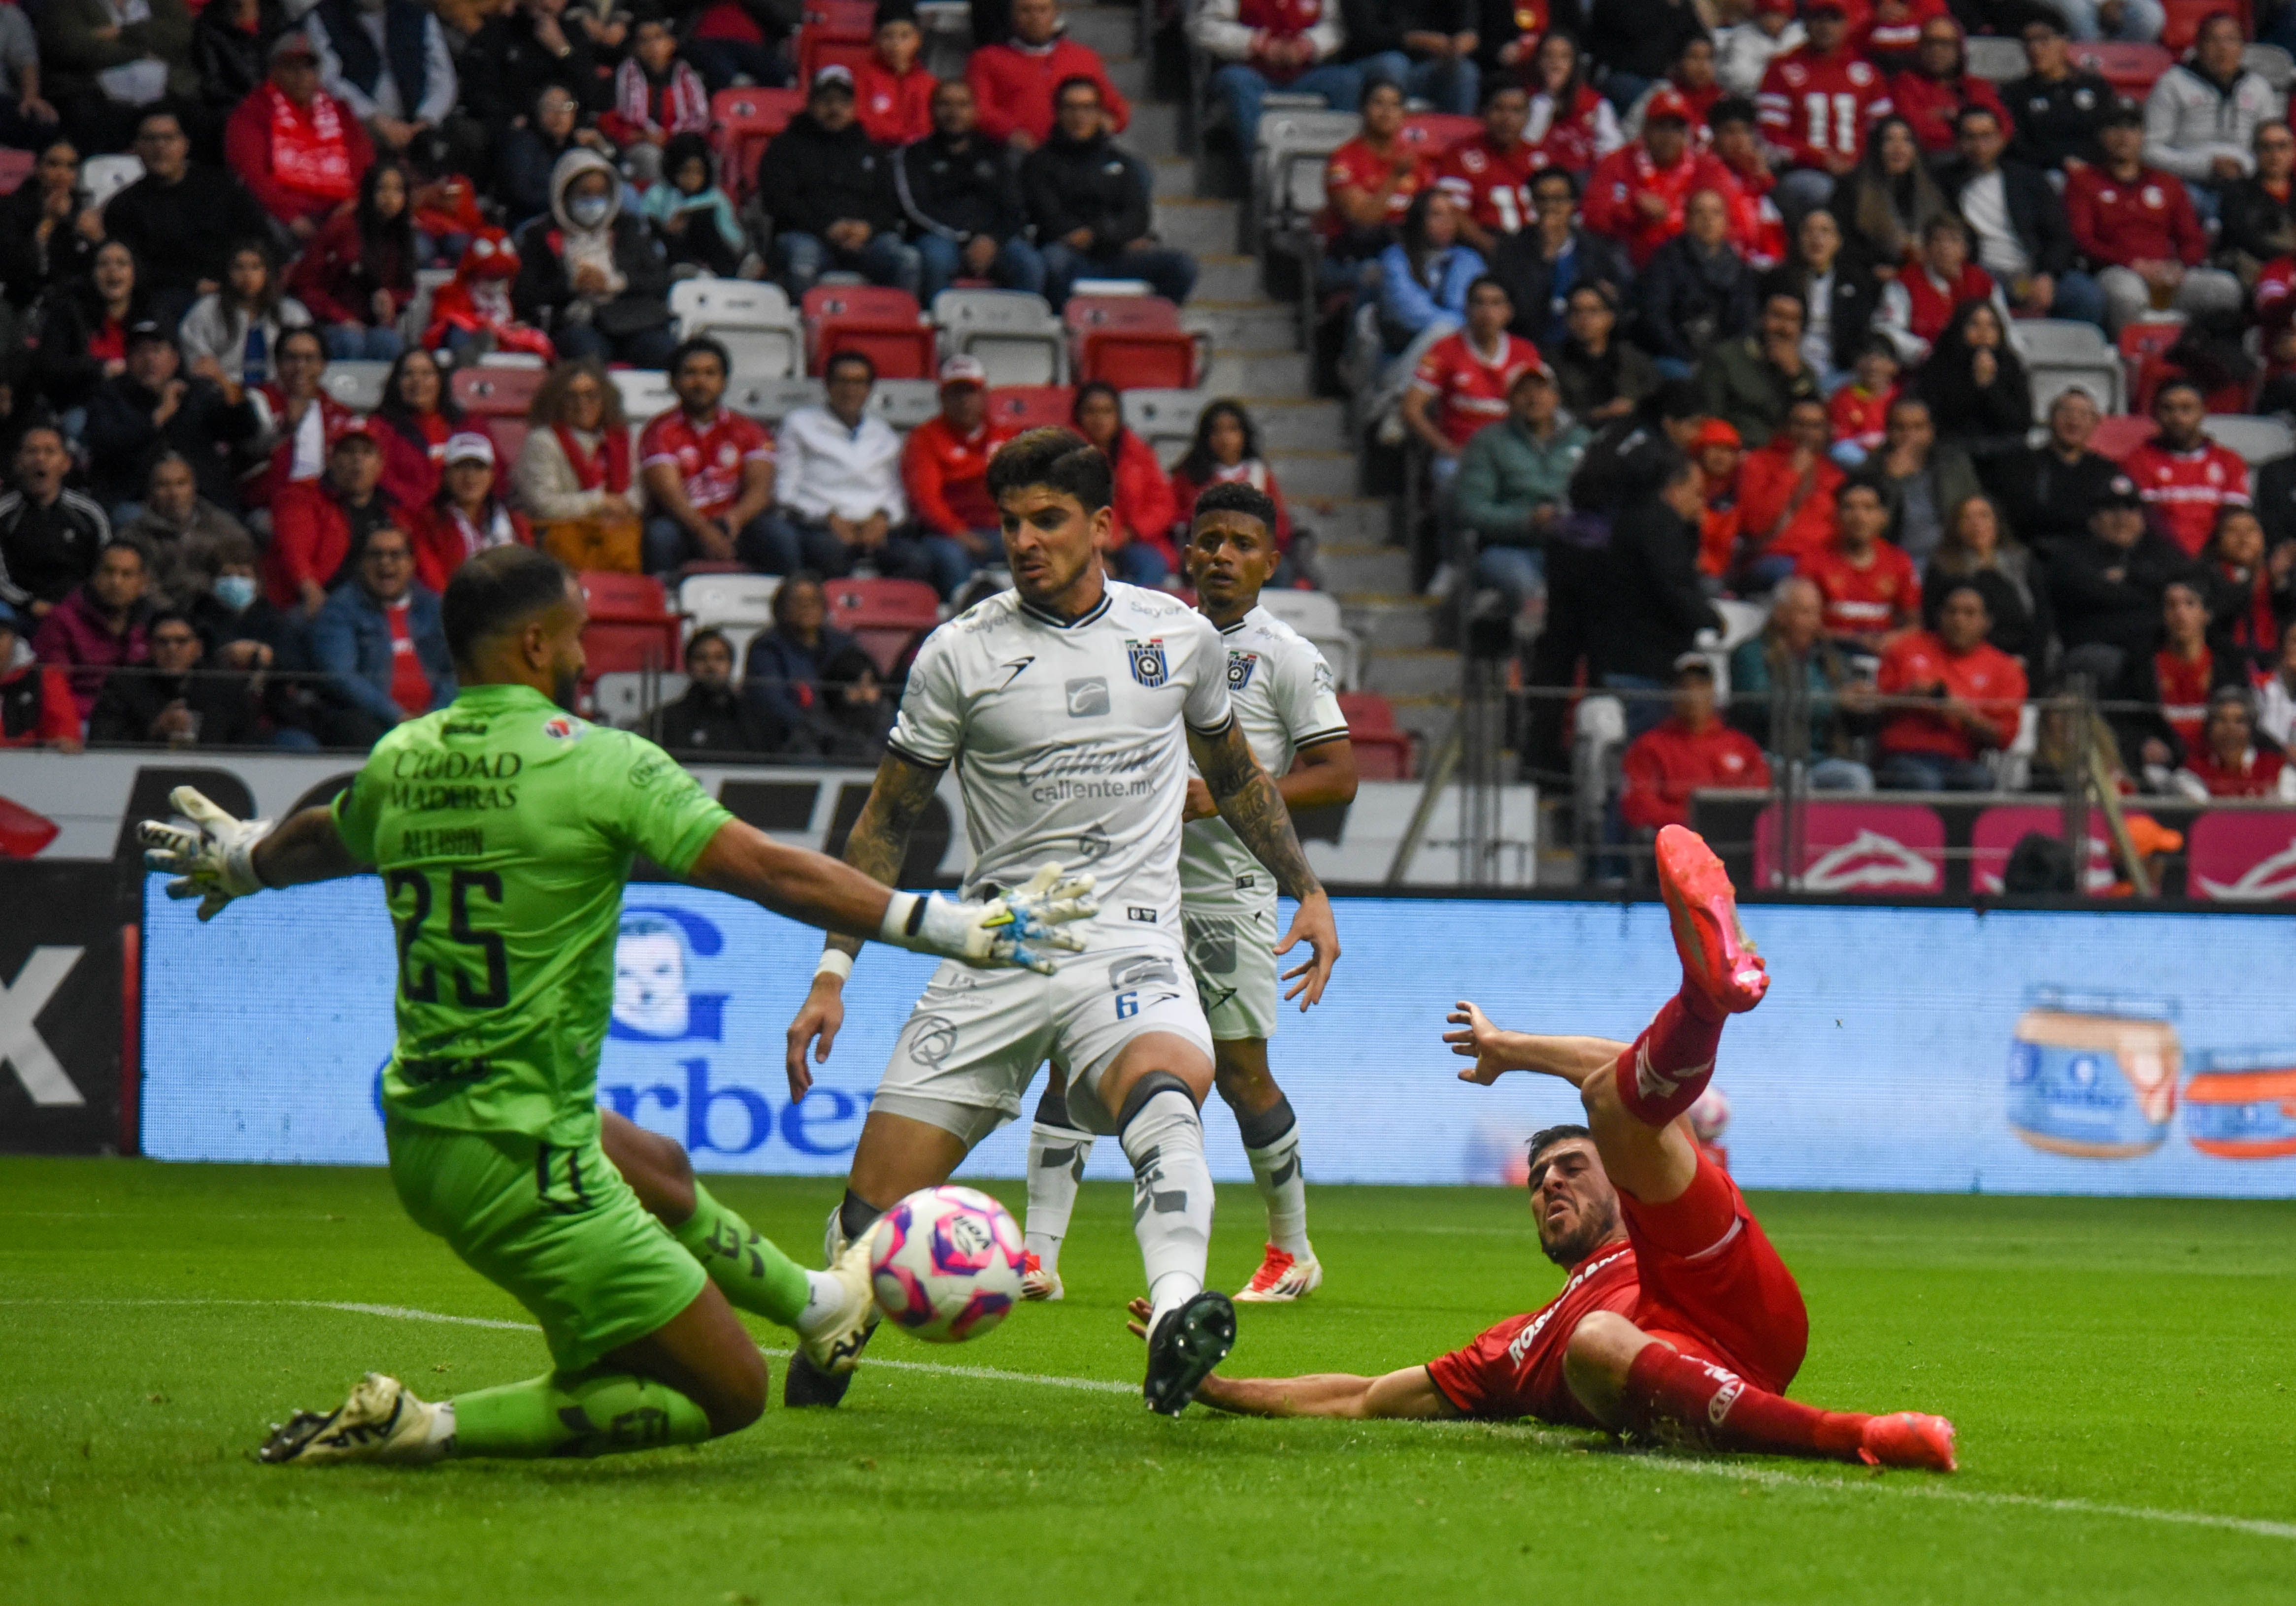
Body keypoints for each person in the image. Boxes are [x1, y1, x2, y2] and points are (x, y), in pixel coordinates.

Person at [144, 541, 1098, 1466]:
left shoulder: (405, 757)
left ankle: (820, 1303)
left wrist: (241, 858)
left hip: (428, 1124)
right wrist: (951, 926)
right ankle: (423, 1424)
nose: (584, 650)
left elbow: (323, 838)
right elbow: (765, 868)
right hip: (524, 1161)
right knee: (731, 1393)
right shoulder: (595, 764)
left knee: (655, 1161)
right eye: (574, 632)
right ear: (531, 645)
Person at [780, 427, 1337, 1413]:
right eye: (1009, 524)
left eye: (1047, 520)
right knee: (869, 1213)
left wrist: (1304, 885)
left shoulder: (1177, 637)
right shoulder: (959, 652)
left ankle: (1175, 1313)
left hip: (1127, 936)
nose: (1024, 540)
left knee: (1167, 1091)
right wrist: (832, 970)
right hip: (992, 945)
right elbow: (887, 819)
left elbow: (1236, 773)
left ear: (1101, 526)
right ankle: (835, 1336)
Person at [1291, 832, 1958, 1465]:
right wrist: (1205, 1382)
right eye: (1538, 1179)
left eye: (1572, 1168)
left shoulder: (1638, 1226)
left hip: (1723, 1290)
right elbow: (1362, 1396)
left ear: (1612, 1184)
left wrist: (1508, 1049)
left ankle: (1706, 1001)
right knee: (1597, 1343)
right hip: (1660, 1346)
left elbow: (1612, 1080)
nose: (1550, 1182)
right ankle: (1860, 1434)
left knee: (1618, 1108)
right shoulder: (1518, 1340)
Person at [1023, 479, 1354, 1304]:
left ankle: (1292, 1252)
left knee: (1243, 1076)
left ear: (1271, 562)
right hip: (1134, 894)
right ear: (1186, 551)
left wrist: (1236, 789)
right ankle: (1037, 1257)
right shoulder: (1153, 635)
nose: (1222, 556)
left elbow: (1340, 775)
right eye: (1209, 541)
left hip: (1229, 893)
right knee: (1074, 1061)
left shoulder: (1286, 655)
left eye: (1242, 544)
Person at [772, 352, 970, 596]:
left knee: (915, 560)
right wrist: (826, 518)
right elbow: (785, 492)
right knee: (829, 553)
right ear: (828, 385)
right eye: (843, 381)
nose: (850, 390)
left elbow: (896, 492)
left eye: (859, 383)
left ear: (870, 389)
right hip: (821, 525)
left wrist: (883, 518)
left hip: (875, 529)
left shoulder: (883, 434)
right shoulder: (799, 425)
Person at [2068, 97, 2242, 332]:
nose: (2124, 136)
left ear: (2143, 136)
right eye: (2115, 128)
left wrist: (2180, 266)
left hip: (2169, 275)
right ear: (2101, 136)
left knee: (2225, 288)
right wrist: (2133, 263)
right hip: (2117, 270)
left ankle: (2206, 358)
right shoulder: (2084, 182)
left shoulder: (2167, 183)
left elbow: (2192, 238)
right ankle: (2132, 361)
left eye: (2132, 128)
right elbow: (2083, 239)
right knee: (2127, 294)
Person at [1024, 75, 1195, 309]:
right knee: (1051, 262)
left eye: (1087, 108)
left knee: (1182, 266)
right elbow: (1050, 217)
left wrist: (1099, 234)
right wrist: (1107, 235)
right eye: (1071, 108)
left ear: (1099, 114)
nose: (1079, 116)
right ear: (1058, 112)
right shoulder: (1039, 163)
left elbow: (1137, 217)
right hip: (1070, 257)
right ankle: (1065, 333)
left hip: (1118, 255)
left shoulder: (1122, 162)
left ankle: (1147, 331)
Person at [757, 66, 922, 299]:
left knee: (907, 260)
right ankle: (806, 331)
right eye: (826, 101)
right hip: (808, 235)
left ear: (854, 106)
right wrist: (826, 228)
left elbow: (890, 203)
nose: (835, 108)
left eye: (843, 102)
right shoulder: (785, 147)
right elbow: (779, 201)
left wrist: (868, 228)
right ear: (811, 104)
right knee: (803, 259)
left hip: (866, 240)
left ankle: (896, 331)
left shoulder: (872, 151)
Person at [1937, 103, 2100, 327]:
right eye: (1970, 137)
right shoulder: (1943, 184)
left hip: (2032, 269)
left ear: (2001, 138)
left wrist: (2047, 276)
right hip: (1980, 273)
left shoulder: (2028, 180)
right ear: (1958, 141)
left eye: (1987, 136)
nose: (1980, 146)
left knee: (2085, 297)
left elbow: (2060, 237)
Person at [513, 148, 675, 368]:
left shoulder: (629, 228)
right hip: (577, 325)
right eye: (584, 193)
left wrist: (616, 282)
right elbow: (525, 295)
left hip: (635, 320)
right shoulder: (539, 236)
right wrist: (573, 284)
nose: (594, 201)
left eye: (601, 193)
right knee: (586, 353)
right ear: (565, 194)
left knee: (665, 352)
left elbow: (659, 280)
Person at [1597, 447, 1721, 734]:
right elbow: (1673, 586)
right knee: (1647, 751)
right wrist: (1712, 619)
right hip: (1647, 664)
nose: (1701, 504)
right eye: (1697, 493)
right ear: (1675, 490)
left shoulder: (1627, 520)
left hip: (1619, 657)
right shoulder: (1660, 526)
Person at [83, 320, 261, 517]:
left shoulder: (196, 393)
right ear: (128, 360)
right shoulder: (110, 396)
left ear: (175, 359)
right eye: (141, 352)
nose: (150, 359)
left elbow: (246, 429)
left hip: (203, 500)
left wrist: (225, 384)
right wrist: (159, 417)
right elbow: (104, 443)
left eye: (158, 351)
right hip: (137, 499)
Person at [1451, 364, 1586, 618]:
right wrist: (1529, 520)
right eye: (1523, 392)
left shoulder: (1582, 440)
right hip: (1507, 548)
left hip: (1571, 545)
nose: (1534, 398)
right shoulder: (1489, 442)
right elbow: (1471, 509)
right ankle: (1528, 650)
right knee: (1528, 587)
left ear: (1556, 397)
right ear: (1510, 400)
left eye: (1541, 390)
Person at [637, 335, 778, 575]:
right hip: (684, 525)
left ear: (724, 382)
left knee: (777, 534)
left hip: (735, 523)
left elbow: (761, 490)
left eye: (710, 373)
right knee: (660, 535)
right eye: (691, 373)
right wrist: (706, 532)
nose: (700, 382)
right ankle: (662, 604)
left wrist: (732, 521)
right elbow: (669, 495)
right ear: (674, 382)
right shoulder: (658, 431)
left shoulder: (750, 429)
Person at [898, 78, 1045, 303]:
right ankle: (940, 333)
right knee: (937, 259)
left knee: (1029, 263)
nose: (954, 112)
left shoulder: (996, 154)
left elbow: (1013, 208)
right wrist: (967, 238)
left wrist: (992, 239)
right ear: (932, 110)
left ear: (975, 110)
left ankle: (1024, 334)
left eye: (963, 105)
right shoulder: (914, 155)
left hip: (992, 240)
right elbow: (915, 209)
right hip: (939, 238)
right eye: (945, 104)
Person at [307, 521, 453, 742]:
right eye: (376, 555)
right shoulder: (340, 608)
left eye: (395, 555)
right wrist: (397, 716)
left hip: (436, 720)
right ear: (362, 563)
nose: (385, 563)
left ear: (412, 563)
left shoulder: (434, 606)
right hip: (375, 720)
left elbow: (458, 670)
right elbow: (341, 676)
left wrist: (434, 717)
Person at [1873, 580, 2026, 789]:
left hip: (1962, 760)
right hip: (1904, 755)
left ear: (1987, 622)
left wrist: (1965, 715)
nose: (1958, 620)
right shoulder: (1904, 648)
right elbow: (1873, 707)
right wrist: (1908, 696)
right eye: (1952, 611)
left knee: (1979, 781)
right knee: (1925, 782)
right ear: (1940, 616)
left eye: (1969, 613)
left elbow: (2005, 737)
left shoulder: (2005, 668)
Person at [1729, 573, 1875, 787]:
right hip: (1769, 754)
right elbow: (1761, 703)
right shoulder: (1751, 655)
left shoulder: (1830, 658)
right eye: (1806, 613)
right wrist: (1834, 701)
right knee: (1798, 781)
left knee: (1857, 777)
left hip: (1821, 758)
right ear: (1780, 615)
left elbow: (1854, 723)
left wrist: (1864, 705)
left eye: (1817, 613)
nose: (1815, 622)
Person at [225, 33, 374, 242]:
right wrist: (292, 218)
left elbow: (364, 163)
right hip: (284, 216)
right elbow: (254, 177)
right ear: (273, 72)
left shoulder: (340, 113)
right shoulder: (251, 114)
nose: (301, 76)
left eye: (308, 68)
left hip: (341, 211)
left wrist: (352, 203)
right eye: (291, 67)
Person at [1758, 0, 1894, 227]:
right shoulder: (1781, 71)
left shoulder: (1868, 74)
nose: (1826, 27)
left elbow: (1884, 131)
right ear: (1806, 24)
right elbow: (1771, 139)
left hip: (1861, 173)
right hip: (1804, 173)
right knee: (1825, 191)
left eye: (1834, 20)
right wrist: (1820, 159)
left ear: (1847, 24)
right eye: (1818, 19)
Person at [1401, 276, 1543, 492]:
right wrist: (1445, 447)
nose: (1487, 312)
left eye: (1496, 303)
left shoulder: (1525, 352)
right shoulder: (1445, 349)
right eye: (1480, 303)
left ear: (1509, 312)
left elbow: (1543, 408)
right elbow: (1412, 408)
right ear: (1467, 309)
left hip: (1513, 454)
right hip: (1461, 457)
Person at [2047, 473, 2192, 679]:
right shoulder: (2071, 555)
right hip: (2094, 650)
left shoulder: (2161, 553)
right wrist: (2150, 590)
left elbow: (2182, 585)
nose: (2122, 518)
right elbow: (2094, 594)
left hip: (2152, 649)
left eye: (2130, 509)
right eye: (2111, 509)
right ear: (2093, 519)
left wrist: (2131, 576)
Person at [1170, 399, 1315, 588]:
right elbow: (1177, 519)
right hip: (1210, 553)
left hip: (1252, 553)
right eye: (1216, 431)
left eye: (1232, 430)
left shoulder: (1260, 474)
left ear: (1244, 434)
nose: (1224, 438)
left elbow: (1278, 521)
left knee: (1280, 571)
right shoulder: (1190, 475)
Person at [2141, 12, 2275, 217]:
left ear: (2243, 47)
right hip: (2185, 182)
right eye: (2214, 40)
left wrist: (2244, 168)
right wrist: (2206, 167)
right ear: (2198, 45)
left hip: (2246, 183)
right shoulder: (2172, 84)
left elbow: (2272, 145)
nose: (2222, 49)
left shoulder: (2259, 88)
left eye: (2231, 40)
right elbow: (2148, 150)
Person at [1582, 89, 1730, 271]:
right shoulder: (1617, 163)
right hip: (1626, 263)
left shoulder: (1705, 169)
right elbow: (1592, 216)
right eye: (1661, 126)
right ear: (1646, 129)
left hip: (1687, 266)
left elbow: (1724, 223)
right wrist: (1632, 211)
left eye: (1676, 129)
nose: (1668, 137)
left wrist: (1674, 221)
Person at [265, 421, 403, 615]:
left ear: (381, 463)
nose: (358, 460)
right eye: (348, 451)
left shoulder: (393, 509)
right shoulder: (302, 497)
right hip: (319, 603)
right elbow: (295, 550)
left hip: (377, 604)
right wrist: (310, 590)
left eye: (367, 452)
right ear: (331, 459)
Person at [738, 571, 883, 756]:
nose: (806, 606)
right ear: (781, 608)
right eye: (797, 601)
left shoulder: (842, 643)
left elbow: (868, 682)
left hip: (845, 731)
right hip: (793, 738)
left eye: (813, 601)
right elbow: (773, 704)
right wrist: (820, 731)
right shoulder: (767, 649)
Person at [1620, 656, 1771, 832]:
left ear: (1713, 690)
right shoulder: (1649, 747)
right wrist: (1694, 822)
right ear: (1673, 693)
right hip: (1678, 846)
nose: (1693, 694)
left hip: (1737, 844)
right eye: (1685, 686)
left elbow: (1763, 799)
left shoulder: (1742, 746)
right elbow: (1638, 806)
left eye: (1701, 685)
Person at [285, 157, 414, 362]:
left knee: (390, 343)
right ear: (369, 192)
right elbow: (305, 286)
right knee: (349, 341)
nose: (390, 198)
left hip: (373, 326)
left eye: (398, 191)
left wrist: (391, 298)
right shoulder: (341, 228)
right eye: (382, 190)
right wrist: (341, 318)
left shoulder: (404, 235)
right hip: (330, 323)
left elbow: (407, 287)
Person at [1488, 167, 1633, 351]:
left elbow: (1621, 302)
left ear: (1572, 204)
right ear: (1533, 203)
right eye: (1542, 199)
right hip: (1531, 346)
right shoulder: (1512, 250)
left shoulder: (1596, 250)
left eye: (1558, 199)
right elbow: (1516, 312)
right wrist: (1547, 256)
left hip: (1586, 349)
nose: (1550, 207)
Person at [2115, 576, 2244, 773]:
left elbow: (2248, 722)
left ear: (2206, 614)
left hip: (2220, 769)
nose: (2180, 613)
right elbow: (2121, 723)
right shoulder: (2139, 668)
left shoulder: (2230, 666)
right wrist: (2142, 744)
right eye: (2171, 605)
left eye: (2190, 604)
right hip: (2159, 772)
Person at [1191, 0, 1356, 154]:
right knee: (1237, 82)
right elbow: (1206, 27)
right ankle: (1262, 167)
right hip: (1250, 73)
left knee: (1346, 81)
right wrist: (1254, 43)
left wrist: (1309, 45)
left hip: (1306, 75)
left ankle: (1341, 166)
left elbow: (1336, 26)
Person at [967, 0, 1130, 153]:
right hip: (1017, 151)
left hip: (1077, 152)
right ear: (1012, 16)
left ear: (1055, 14)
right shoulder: (987, 59)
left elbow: (1116, 108)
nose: (1035, 18)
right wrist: (1009, 133)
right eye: (1026, 11)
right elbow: (979, 108)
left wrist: (1109, 123)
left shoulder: (1083, 57)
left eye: (1042, 10)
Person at [88, 606, 260, 747]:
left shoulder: (225, 687)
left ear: (198, 648)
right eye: (163, 642)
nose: (172, 649)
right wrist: (154, 731)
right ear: (150, 648)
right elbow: (101, 742)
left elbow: (249, 743)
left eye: (181, 642)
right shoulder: (124, 685)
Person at [38, 0, 195, 155]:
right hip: (98, 101)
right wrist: (142, 52)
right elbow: (71, 46)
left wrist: (120, 32)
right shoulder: (67, 4)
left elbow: (181, 36)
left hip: (165, 100)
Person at [1319, 80, 1431, 295]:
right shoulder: (1343, 161)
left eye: (1395, 105)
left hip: (1411, 251)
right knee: (1386, 274)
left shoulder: (1415, 162)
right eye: (1378, 104)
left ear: (1404, 115)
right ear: (1363, 110)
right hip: (1354, 258)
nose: (1387, 112)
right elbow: (1363, 220)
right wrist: (1394, 178)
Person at [513, 358, 641, 545]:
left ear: (605, 399)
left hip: (621, 532)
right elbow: (544, 505)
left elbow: (641, 493)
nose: (582, 404)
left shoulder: (624, 439)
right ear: (557, 401)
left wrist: (623, 508)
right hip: (562, 537)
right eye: (571, 396)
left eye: (591, 395)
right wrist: (600, 503)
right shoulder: (542, 441)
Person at [902, 356, 1011, 575]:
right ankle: (963, 607)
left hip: (1001, 529)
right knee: (951, 557)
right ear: (942, 398)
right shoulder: (924, 439)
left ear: (984, 395)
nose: (964, 401)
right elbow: (927, 501)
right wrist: (960, 534)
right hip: (945, 535)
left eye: (970, 392)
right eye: (955, 393)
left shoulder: (1006, 436)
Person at [1983, 386, 2120, 557]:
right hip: (2037, 555)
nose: (2074, 420)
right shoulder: (2024, 464)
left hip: (2092, 557)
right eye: (2066, 412)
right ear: (2051, 418)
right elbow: (2023, 517)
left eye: (2084, 414)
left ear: (2095, 423)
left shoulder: (2105, 470)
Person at [2121, 380, 2251, 560]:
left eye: (2186, 408)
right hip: (2160, 560)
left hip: (2216, 561)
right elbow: (2148, 521)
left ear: (2203, 412)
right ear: (2155, 413)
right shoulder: (2137, 460)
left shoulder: (2229, 461)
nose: (2177, 417)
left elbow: (2233, 519)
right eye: (2168, 409)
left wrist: (2205, 562)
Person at [1070, 379, 1180, 586]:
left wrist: (1130, 533)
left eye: (1107, 411)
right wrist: (1095, 546)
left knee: (1152, 565)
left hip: (1132, 541)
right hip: (1080, 544)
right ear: (1079, 415)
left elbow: (1163, 504)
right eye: (1091, 411)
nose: (1099, 419)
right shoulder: (1065, 455)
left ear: (1118, 415)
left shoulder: (1139, 453)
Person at [33, 533, 153, 718]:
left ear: (143, 582)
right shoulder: (62, 620)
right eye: (109, 572)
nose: (116, 582)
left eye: (127, 574)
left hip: (137, 722)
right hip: (80, 722)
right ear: (94, 576)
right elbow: (53, 688)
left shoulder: (152, 623)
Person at [0, 426, 112, 618]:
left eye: (49, 452)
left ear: (66, 463)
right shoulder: (4, 514)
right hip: (22, 614)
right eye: (32, 451)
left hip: (82, 612)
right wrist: (31, 604)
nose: (40, 459)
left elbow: (106, 566)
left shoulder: (89, 514)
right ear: (18, 462)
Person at [1797, 477, 1920, 651]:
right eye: (1849, 507)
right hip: (1827, 656)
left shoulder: (1899, 562)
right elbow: (1802, 621)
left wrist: (1891, 640)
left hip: (1883, 657)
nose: (1859, 517)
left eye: (1868, 508)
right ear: (1837, 515)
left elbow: (1914, 624)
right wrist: (1855, 642)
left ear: (1883, 517)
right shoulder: (1813, 560)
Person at [458, 0, 602, 147]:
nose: (548, 4)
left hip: (568, 135)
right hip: (516, 133)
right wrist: (516, 118)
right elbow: (479, 90)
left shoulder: (573, 34)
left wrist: (563, 50)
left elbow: (592, 94)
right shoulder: (499, 32)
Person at [1925, 491, 2045, 666]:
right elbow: (1933, 623)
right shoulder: (1943, 567)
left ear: (1997, 522)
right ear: (1956, 526)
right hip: (1961, 660)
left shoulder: (2023, 561)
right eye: (1967, 518)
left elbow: (2042, 616)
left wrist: (2025, 659)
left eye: (1984, 516)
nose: (1977, 525)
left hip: (2021, 657)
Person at [30, 236, 146, 415]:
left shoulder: (149, 316)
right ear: (92, 273)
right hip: (82, 406)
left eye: (122, 264)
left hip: (136, 406)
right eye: (104, 264)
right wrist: (101, 370)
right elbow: (51, 366)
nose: (112, 271)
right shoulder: (69, 312)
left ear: (135, 273)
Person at [121, 450, 256, 604]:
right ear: (151, 493)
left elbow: (246, 575)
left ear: (194, 487)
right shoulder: (134, 537)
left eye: (181, 483)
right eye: (164, 485)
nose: (174, 493)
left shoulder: (223, 527)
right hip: (164, 621)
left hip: (219, 614)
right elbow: (145, 590)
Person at [179, 239, 313, 394]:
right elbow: (201, 366)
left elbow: (308, 361)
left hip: (281, 395)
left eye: (255, 267)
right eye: (239, 268)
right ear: (229, 272)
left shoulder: (292, 312)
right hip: (222, 395)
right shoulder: (206, 311)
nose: (247, 275)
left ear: (267, 272)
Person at [1733, 393, 1844, 581]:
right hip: (1775, 558)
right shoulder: (1759, 462)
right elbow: (1755, 524)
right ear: (1786, 426)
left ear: (1826, 431)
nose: (1807, 433)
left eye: (1815, 426)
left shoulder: (1835, 474)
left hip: (1823, 561)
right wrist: (1791, 473)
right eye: (1800, 424)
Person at [1765, 206, 1877, 387]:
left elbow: (1861, 334)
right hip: (1791, 367)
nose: (1816, 238)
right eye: (1809, 231)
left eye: (1825, 231)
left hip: (1842, 371)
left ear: (1838, 241)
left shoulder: (1856, 282)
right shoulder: (1780, 280)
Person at [1863, 395, 1977, 569]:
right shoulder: (1872, 469)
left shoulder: (1953, 464)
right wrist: (1891, 482)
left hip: (1954, 554)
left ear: (1931, 431)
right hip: (1899, 560)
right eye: (1901, 428)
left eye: (1918, 427)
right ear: (1889, 432)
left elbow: (1974, 508)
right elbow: (1874, 530)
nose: (1909, 436)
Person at [1694, 286, 1816, 448]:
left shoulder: (1804, 373)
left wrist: (1795, 376)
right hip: (1736, 452)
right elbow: (1711, 419)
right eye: (1777, 316)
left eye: (1793, 320)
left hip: (1784, 461)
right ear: (1761, 317)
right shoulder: (1725, 358)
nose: (1784, 328)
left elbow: (1814, 429)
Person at [1873, 216, 2005, 365]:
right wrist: (1923, 351)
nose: (1945, 248)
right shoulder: (1905, 283)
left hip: (1977, 367)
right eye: (1938, 241)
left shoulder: (1983, 283)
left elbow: (2005, 328)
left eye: (1953, 240)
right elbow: (1887, 329)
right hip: (1923, 369)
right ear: (1926, 249)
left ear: (1965, 249)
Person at [599, 8, 709, 184]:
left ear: (671, 43)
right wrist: (641, 136)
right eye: (644, 40)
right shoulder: (624, 76)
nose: (652, 46)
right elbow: (610, 120)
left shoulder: (687, 77)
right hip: (639, 146)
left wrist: (667, 138)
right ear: (636, 48)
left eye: (658, 37)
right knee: (650, 155)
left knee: (700, 157)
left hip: (681, 142)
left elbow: (700, 121)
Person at [1913, 298, 2032, 461]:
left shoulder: (2010, 365)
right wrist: (1974, 384)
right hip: (1953, 452)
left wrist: (1989, 387)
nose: (1983, 332)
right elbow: (1941, 419)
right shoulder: (1940, 365)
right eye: (1974, 324)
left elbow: (2020, 422)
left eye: (1991, 325)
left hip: (2003, 453)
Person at [1828, 115, 1945, 278]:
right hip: (1871, 275)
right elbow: (1844, 243)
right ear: (1877, 147)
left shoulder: (1933, 187)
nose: (1899, 148)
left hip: (1926, 273)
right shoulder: (1852, 188)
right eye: (1890, 140)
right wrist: (1873, 269)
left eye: (1906, 140)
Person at [412, 433, 531, 594]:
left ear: (492, 475)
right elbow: (432, 580)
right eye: (461, 466)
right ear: (446, 473)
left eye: (479, 467)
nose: (470, 477)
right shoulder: (427, 523)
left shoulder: (515, 523)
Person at [1432, 82, 1536, 259]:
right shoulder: (1461, 154)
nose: (1507, 119)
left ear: (1527, 117)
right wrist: (1493, 248)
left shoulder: (1541, 157)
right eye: (1499, 109)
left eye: (1516, 111)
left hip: (1533, 248)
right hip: (1479, 249)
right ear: (1484, 113)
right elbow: (1452, 212)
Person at [0, 138, 99, 319]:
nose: (62, 174)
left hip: (73, 304)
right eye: (53, 164)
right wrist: (49, 222)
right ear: (38, 169)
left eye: (71, 166)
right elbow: (13, 267)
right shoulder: (11, 209)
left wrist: (95, 237)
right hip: (21, 302)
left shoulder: (85, 214)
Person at [2003, 9, 2112, 172]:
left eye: (2043, 40)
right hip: (2041, 173)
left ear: (2064, 42)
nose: (2035, 49)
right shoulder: (2015, 93)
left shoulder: (2096, 87)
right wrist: (2060, 161)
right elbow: (2017, 144)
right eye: (2028, 41)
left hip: (2095, 172)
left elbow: (2108, 133)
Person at [1376, 189, 1484, 352]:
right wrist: (1467, 327)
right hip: (1403, 353)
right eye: (1436, 215)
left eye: (1451, 214)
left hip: (1460, 351)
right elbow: (1411, 313)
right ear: (1419, 220)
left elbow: (1467, 306)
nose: (1446, 222)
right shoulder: (1395, 259)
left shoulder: (1468, 259)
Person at [654, 625, 786, 755]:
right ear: (688, 666)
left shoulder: (756, 719)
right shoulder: (666, 721)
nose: (711, 666)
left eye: (720, 658)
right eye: (701, 658)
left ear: (731, 665)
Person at [499, 85, 613, 231]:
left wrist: (603, 149)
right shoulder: (523, 145)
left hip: (582, 222)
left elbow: (613, 185)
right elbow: (521, 195)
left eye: (566, 106)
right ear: (538, 113)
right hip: (535, 222)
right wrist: (564, 201)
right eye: (550, 107)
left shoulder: (581, 145)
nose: (559, 114)